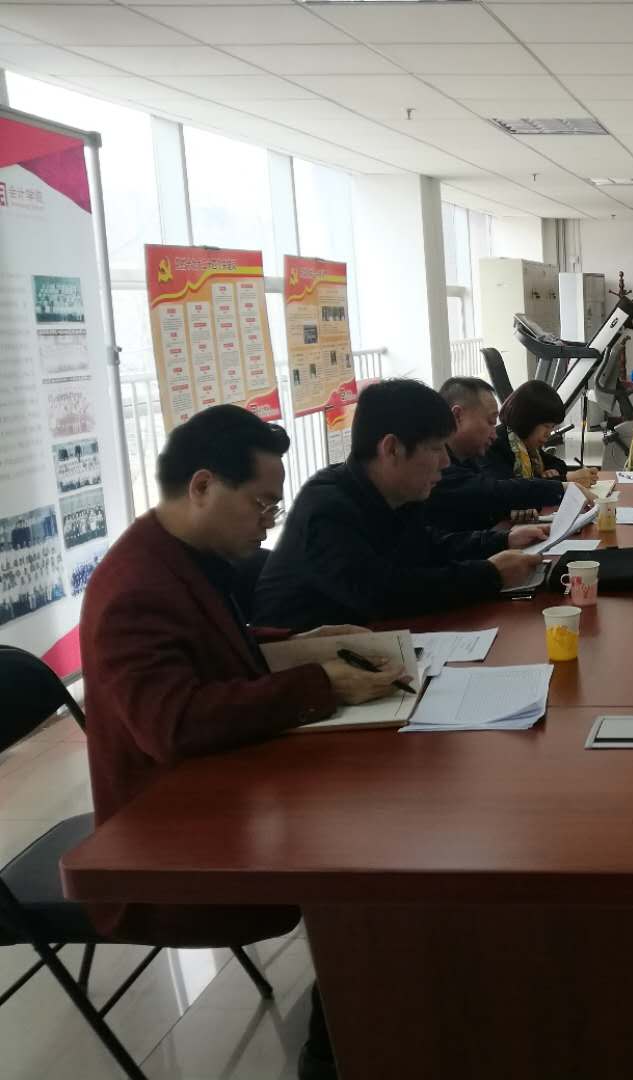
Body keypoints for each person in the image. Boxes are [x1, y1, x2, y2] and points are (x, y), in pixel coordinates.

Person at [78, 405, 404, 1080]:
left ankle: (357, 1015)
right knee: (371, 848)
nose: (268, 523)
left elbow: (213, 649)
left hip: (219, 786)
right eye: (261, 504)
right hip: (170, 830)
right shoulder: (135, 589)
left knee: (382, 812)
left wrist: (305, 644)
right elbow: (174, 723)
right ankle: (343, 1043)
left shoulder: (179, 554)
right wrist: (321, 683)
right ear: (202, 486)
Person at [253, 379, 545, 630]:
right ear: (392, 448)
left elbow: (429, 547)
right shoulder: (327, 508)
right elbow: (385, 594)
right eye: (435, 449)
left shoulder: (399, 493)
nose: (445, 462)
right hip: (308, 663)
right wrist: (489, 574)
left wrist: (502, 540)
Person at [427, 376, 587, 532]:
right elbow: (493, 492)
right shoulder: (441, 469)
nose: (493, 434)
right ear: (457, 416)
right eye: (490, 422)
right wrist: (561, 486)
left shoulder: (468, 459)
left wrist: (507, 539)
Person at [482, 379, 597, 488]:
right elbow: (514, 489)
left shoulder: (527, 446)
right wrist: (565, 480)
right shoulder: (497, 445)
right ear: (527, 419)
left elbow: (558, 463)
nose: (548, 434)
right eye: (546, 426)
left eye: (552, 427)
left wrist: (553, 471)